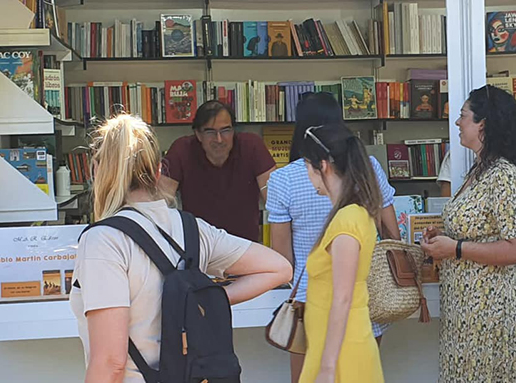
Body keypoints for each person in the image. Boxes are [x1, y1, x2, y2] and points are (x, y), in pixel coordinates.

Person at [70, 114, 292, 383]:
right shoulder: (192, 228)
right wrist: (206, 298)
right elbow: (279, 268)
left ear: (96, 170)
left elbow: (111, 363)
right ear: (158, 171)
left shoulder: (104, 241)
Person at [266, 92, 399, 383]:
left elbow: (282, 260)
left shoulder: (282, 180)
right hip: (367, 306)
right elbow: (392, 234)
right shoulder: (369, 170)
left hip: (316, 310)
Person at [421, 85, 516, 382]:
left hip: (489, 313)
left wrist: (456, 248)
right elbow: (478, 230)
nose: (458, 123)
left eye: (463, 116)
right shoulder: (478, 171)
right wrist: (442, 238)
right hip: (465, 314)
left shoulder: (503, 175)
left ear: (482, 123)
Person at [298, 123, 385, 383]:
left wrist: (327, 368)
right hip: (336, 345)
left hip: (341, 351)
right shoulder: (353, 213)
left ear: (322, 165)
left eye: (308, 167)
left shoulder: (347, 219)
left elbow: (342, 298)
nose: (308, 175)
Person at [161, 100, 276, 241]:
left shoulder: (252, 146)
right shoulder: (182, 150)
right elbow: (161, 203)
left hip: (245, 246)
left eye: (225, 130)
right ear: (198, 134)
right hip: (199, 246)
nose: (219, 139)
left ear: (234, 131)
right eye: (210, 132)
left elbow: (275, 200)